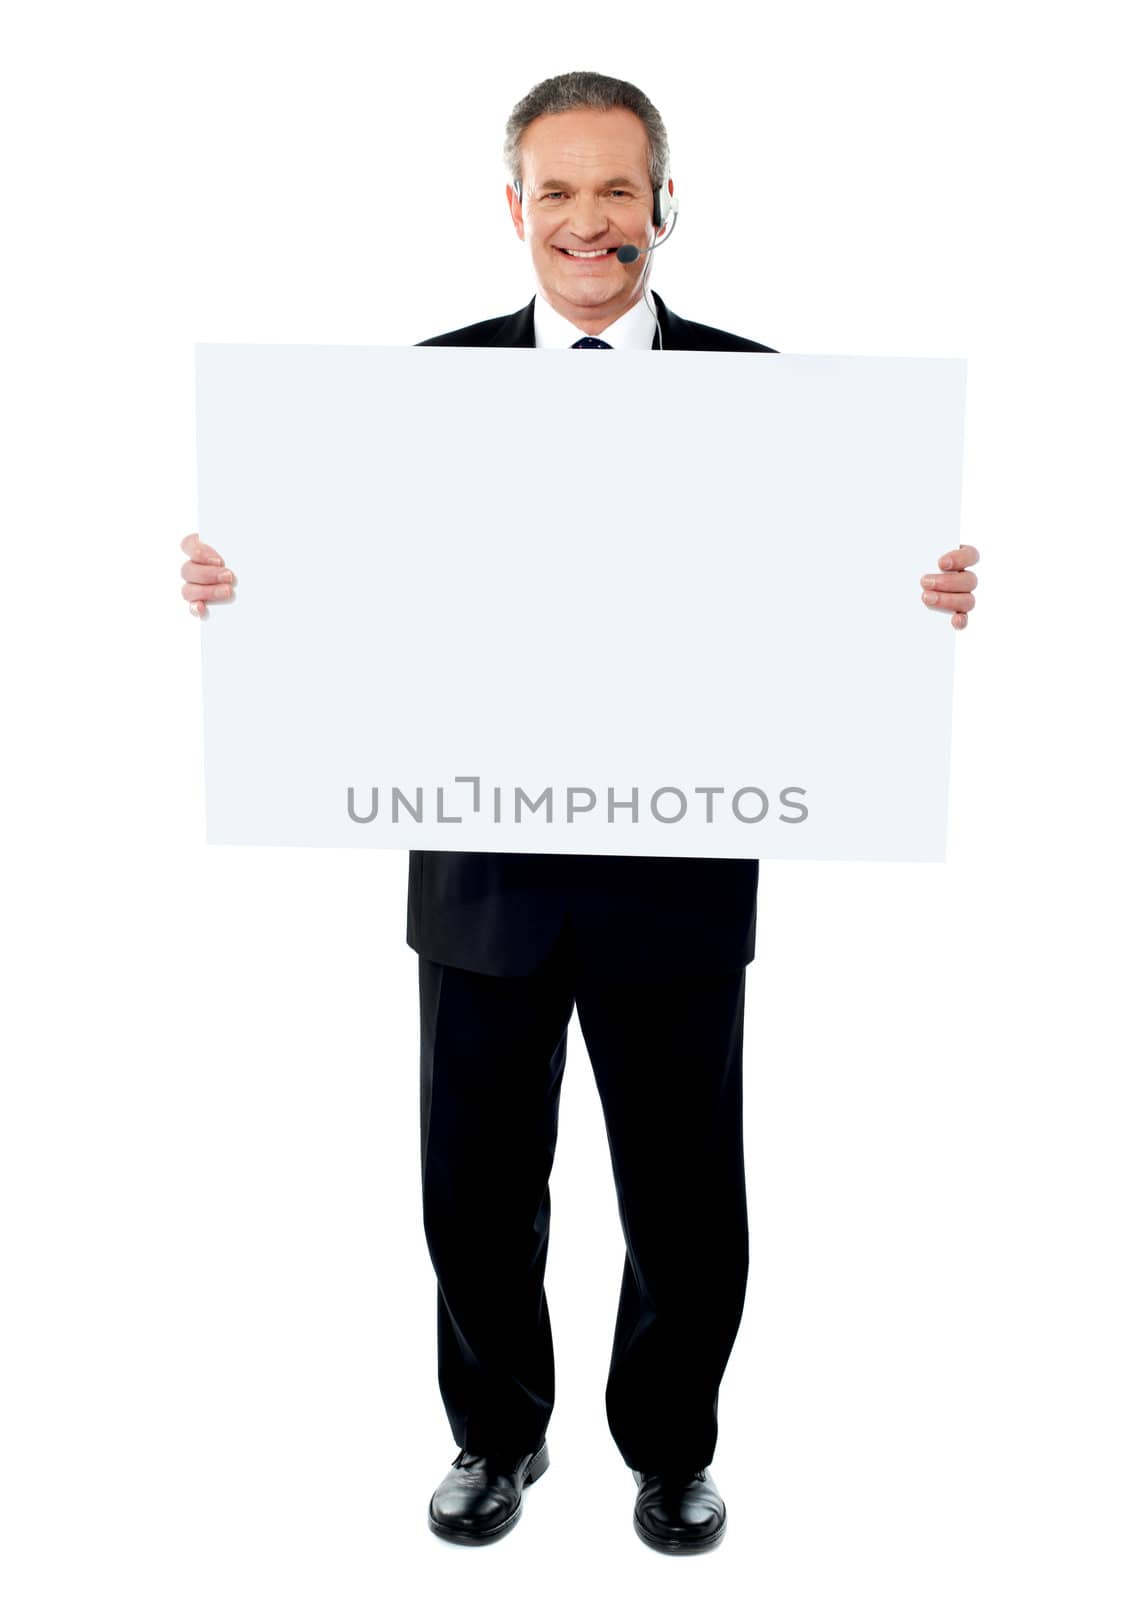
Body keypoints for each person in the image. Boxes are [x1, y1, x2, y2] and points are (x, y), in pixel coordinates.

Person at [179, 70, 980, 1555]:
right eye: (559, 191)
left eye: (620, 189)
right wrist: (249, 589)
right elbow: (346, 594)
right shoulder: (421, 392)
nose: (589, 221)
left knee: (686, 1204)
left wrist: (911, 596)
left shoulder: (767, 393)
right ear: (514, 211)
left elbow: (823, 608)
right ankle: (496, 1438)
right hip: (482, 868)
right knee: (476, 1194)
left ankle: (671, 1449)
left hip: (674, 868)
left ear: (665, 207)